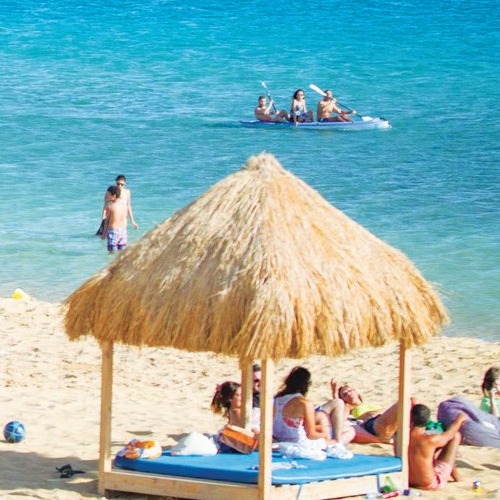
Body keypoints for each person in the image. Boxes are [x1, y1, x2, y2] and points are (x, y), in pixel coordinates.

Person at [273, 367, 350, 444]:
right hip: (297, 442)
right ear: (306, 384)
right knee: (336, 441)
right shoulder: (305, 403)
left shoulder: (276, 399)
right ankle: (337, 440)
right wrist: (325, 435)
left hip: (278, 439)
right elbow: (311, 435)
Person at [318, 381, 406, 444]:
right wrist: (335, 393)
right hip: (373, 423)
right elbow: (339, 415)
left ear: (356, 391)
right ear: (343, 400)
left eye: (349, 390)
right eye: (345, 395)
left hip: (391, 424)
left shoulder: (371, 404)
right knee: (405, 402)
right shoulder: (349, 408)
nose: (349, 394)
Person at [409, 403, 467, 491]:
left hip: (408, 481)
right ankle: (457, 477)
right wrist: (459, 420)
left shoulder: (401, 437)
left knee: (428, 450)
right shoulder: (430, 440)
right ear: (427, 420)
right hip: (430, 484)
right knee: (455, 436)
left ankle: (456, 475)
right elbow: (450, 434)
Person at [101, 185, 129, 252]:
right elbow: (125, 217)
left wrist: (104, 234)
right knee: (121, 253)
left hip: (113, 232)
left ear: (114, 196)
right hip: (123, 231)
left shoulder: (110, 206)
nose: (106, 196)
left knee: (112, 253)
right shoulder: (124, 206)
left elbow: (107, 221)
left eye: (108, 194)